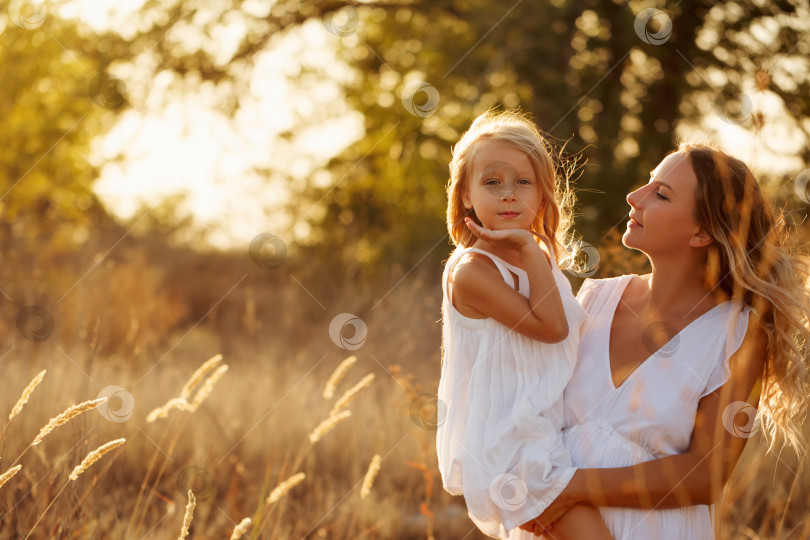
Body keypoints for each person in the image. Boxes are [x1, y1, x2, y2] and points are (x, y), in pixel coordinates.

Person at [512, 143, 810, 538]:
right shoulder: (593, 299)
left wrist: (571, 490)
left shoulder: (738, 335)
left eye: (661, 194)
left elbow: (706, 475)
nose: (634, 197)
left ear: (702, 232)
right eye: (648, 183)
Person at [436, 109, 613, 539]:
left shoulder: (537, 260)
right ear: (465, 195)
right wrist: (532, 251)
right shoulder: (472, 271)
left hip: (547, 437)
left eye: (523, 182)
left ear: (542, 192)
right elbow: (552, 329)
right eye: (492, 182)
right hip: (512, 453)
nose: (509, 195)